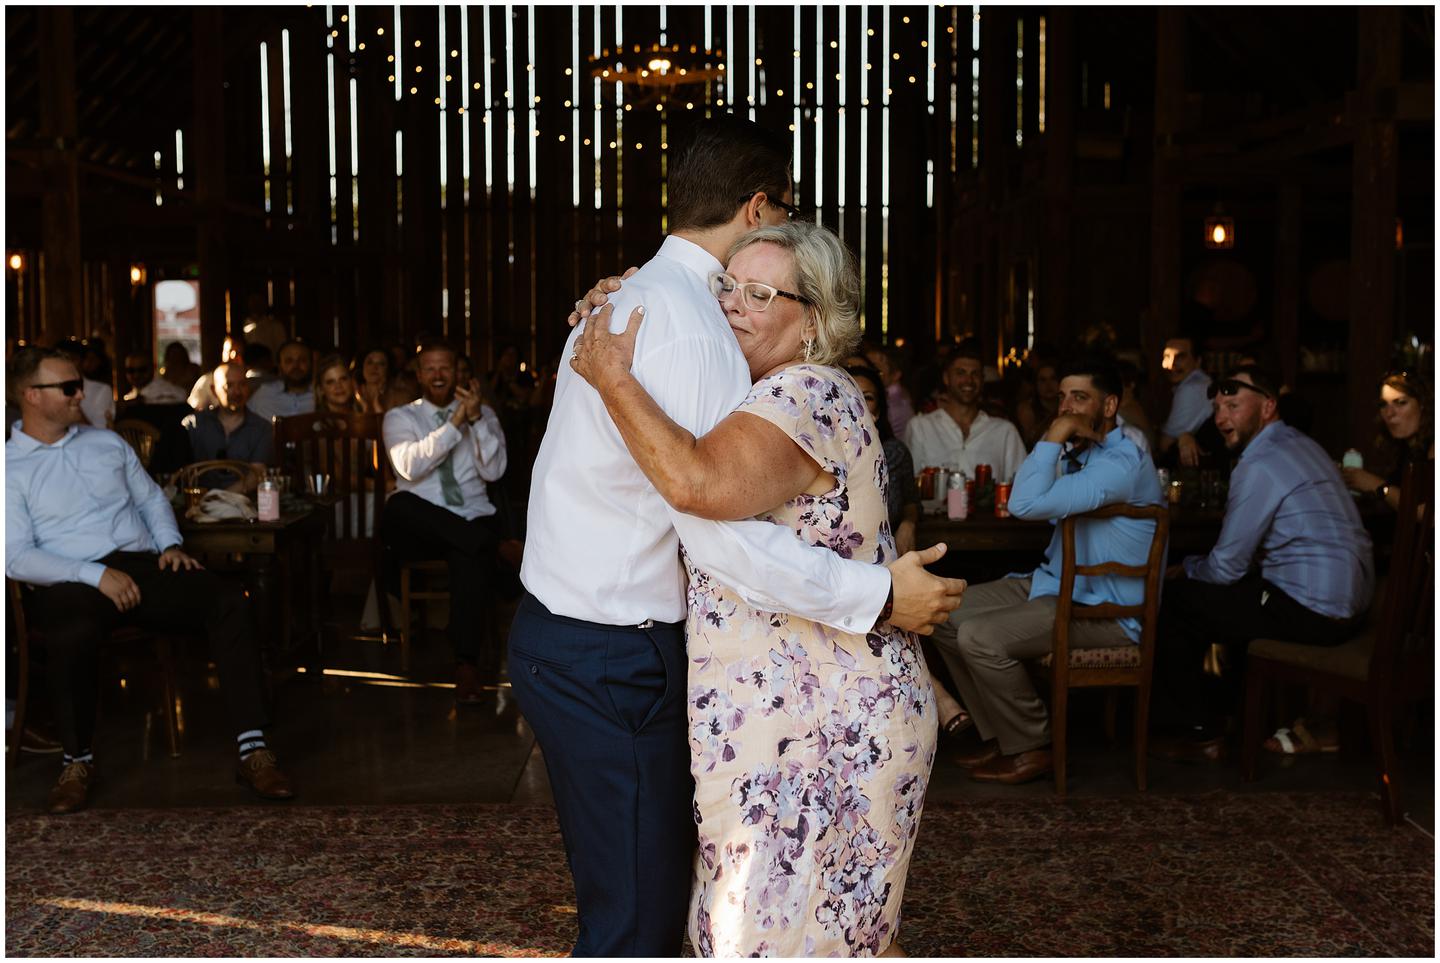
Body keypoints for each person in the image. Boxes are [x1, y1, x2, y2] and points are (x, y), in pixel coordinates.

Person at [524, 117, 962, 958]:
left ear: (816, 319)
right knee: (659, 921)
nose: (736, 304)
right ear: (759, 205)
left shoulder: (781, 381)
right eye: (734, 286)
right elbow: (711, 521)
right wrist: (880, 594)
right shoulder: (680, 321)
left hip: (803, 717)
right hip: (644, 664)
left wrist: (879, 596)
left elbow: (706, 508)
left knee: (712, 925)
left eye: (761, 295)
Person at [5, 347, 294, 814]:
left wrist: (169, 545)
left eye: (80, 384)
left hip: (143, 564)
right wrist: (96, 575)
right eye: (69, 387)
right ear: (31, 396)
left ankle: (253, 748)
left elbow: (152, 500)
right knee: (71, 629)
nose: (81, 394)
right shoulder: (9, 467)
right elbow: (16, 556)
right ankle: (77, 761)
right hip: (71, 576)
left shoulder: (107, 443)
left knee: (228, 601)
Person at [930, 358, 1164, 784]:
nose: (1067, 407)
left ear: (1109, 405)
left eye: (1080, 398)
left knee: (978, 636)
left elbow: (1023, 503)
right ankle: (1003, 735)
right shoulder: (1085, 451)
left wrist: (1055, 434)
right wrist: (1062, 439)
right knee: (942, 611)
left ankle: (1031, 746)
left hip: (1106, 612)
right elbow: (1032, 492)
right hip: (1054, 584)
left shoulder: (1120, 463)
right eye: (1062, 398)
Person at [1151, 365, 1374, 760]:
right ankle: (1235, 715)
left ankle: (1201, 732)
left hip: (1313, 612)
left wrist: (1188, 567)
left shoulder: (1259, 462)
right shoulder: (1305, 444)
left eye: (1233, 406)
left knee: (1174, 600)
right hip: (1354, 606)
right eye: (1217, 409)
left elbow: (1226, 569)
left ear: (1268, 406)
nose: (1221, 418)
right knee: (1237, 599)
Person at [381, 343, 511, 704]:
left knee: (467, 550)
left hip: (471, 517)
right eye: (430, 368)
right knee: (399, 505)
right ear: (419, 375)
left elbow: (494, 471)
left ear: (458, 373)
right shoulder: (400, 417)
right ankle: (497, 547)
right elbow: (409, 467)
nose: (438, 375)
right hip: (422, 526)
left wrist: (474, 420)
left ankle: (466, 666)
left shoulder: (483, 413)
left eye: (445, 368)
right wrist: (455, 424)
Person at [904, 340, 1026, 482]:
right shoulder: (920, 427)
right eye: (960, 373)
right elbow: (908, 486)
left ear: (982, 380)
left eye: (975, 374)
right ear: (946, 378)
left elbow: (1023, 485)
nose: (968, 380)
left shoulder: (1005, 431)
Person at [1342, 370, 1433, 512]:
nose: (1389, 413)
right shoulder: (1403, 448)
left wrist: (1376, 485)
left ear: (1422, 405)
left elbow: (1428, 513)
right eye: (1383, 404)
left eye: (1401, 403)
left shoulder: (1433, 447)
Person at [182, 361, 274, 491]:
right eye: (228, 386)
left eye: (242, 384)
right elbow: (180, 471)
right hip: (198, 499)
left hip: (243, 500)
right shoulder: (194, 424)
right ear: (214, 390)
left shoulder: (262, 428)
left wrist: (219, 497)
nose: (237, 392)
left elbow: (256, 475)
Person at [1156, 336, 1213, 467]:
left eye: (1180, 357)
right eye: (1167, 356)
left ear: (1197, 361)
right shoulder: (1199, 382)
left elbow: (1165, 444)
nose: (1171, 364)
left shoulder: (1191, 388)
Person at [248, 339, 316, 421]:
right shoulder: (264, 393)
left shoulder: (322, 394)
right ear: (279, 366)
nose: (296, 366)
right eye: (289, 361)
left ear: (311, 364)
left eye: (302, 360)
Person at [56, 338, 113, 429]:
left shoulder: (101, 390)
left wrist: (73, 405)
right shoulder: (48, 389)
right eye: (60, 360)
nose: (65, 364)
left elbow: (99, 432)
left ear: (82, 362)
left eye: (71, 359)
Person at [865, 343, 914, 438]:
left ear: (896, 374)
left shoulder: (894, 404)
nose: (875, 364)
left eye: (882, 360)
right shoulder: (899, 395)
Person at [121, 352, 188, 404]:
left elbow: (182, 396)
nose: (136, 375)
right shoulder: (131, 395)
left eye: (142, 370)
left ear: (152, 368)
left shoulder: (169, 392)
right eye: (131, 371)